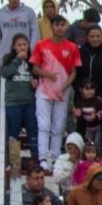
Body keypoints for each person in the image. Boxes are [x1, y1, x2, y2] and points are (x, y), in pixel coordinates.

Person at [30, 14, 81, 167]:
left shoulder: (72, 47)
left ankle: (56, 158)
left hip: (62, 92)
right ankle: (43, 158)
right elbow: (35, 68)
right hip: (44, 91)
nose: (60, 28)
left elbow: (74, 72)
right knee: (44, 125)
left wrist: (63, 87)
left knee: (58, 126)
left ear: (66, 27)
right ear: (51, 27)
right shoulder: (41, 45)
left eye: (62, 25)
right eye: (57, 25)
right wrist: (47, 74)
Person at [1, 34, 39, 151]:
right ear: (14, 47)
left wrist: (36, 82)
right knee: (13, 134)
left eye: (24, 44)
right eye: (19, 45)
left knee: (33, 132)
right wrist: (18, 59)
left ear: (28, 45)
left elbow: (38, 76)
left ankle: (35, 158)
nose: (22, 47)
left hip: (30, 103)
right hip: (13, 103)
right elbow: (5, 73)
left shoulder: (33, 60)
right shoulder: (8, 59)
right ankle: (14, 160)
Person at [0, 0, 40, 64]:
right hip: (6, 57)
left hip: (25, 57)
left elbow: (35, 34)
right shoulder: (0, 14)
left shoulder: (29, 12)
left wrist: (31, 52)